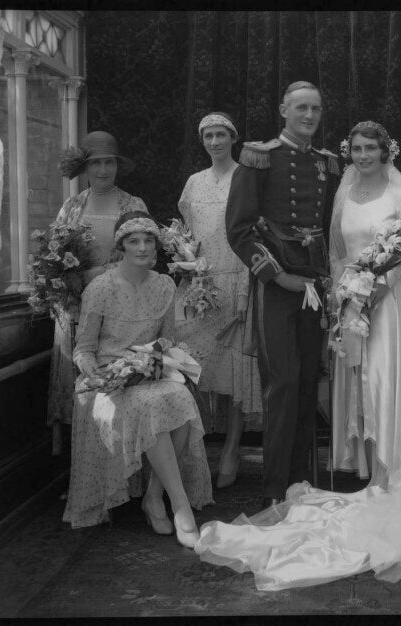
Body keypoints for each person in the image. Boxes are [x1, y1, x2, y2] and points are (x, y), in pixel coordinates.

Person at [194, 121, 401, 590]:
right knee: (356, 385)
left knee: (389, 382)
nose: (364, 154)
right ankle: (368, 475)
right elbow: (333, 251)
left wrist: (379, 285)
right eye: (357, 147)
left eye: (372, 147)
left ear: (387, 151)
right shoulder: (342, 189)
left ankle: (397, 476)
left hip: (391, 308)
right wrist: (347, 291)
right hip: (352, 305)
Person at [62, 211, 213, 547]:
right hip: (110, 380)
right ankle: (181, 506)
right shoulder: (100, 288)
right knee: (155, 404)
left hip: (151, 372)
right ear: (122, 247)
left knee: (181, 398)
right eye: (134, 241)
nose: (142, 247)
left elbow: (168, 341)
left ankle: (155, 496)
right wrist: (94, 370)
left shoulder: (164, 285)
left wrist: (173, 361)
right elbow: (83, 350)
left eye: (148, 240)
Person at [225, 81, 339, 508]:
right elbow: (238, 230)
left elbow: (329, 225)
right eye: (301, 108)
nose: (309, 116)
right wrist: (276, 276)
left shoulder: (328, 165)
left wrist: (325, 277)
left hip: (315, 283)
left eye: (316, 108)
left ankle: (301, 482)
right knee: (283, 384)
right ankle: (275, 490)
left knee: (309, 382)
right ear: (283, 110)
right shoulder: (259, 157)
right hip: (277, 286)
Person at [175, 112, 262, 489]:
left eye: (221, 134)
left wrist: (246, 288)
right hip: (199, 286)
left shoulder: (245, 177)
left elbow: (252, 236)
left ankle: (231, 449)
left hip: (236, 280)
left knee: (235, 376)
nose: (215, 141)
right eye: (208, 135)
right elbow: (186, 233)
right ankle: (192, 453)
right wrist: (188, 266)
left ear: (233, 137)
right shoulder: (193, 183)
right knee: (196, 372)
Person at [48, 131, 148, 456]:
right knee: (82, 389)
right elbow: (54, 258)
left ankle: (120, 471)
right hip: (76, 311)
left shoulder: (132, 205)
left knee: (114, 389)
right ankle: (81, 470)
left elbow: (141, 260)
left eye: (109, 163)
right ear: (85, 167)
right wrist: (68, 280)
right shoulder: (72, 207)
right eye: (96, 164)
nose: (103, 170)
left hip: (118, 313)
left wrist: (96, 274)